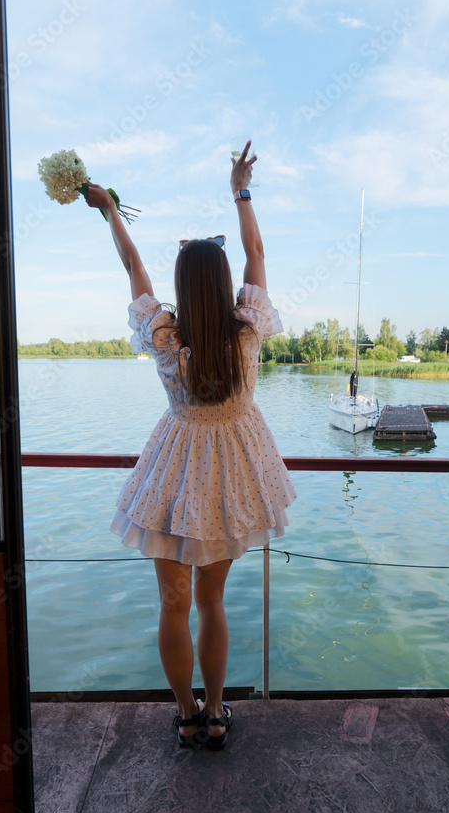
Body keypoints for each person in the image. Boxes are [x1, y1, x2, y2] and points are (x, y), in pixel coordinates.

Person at [84, 141, 296, 750]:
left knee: (171, 605)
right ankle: (218, 709)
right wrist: (240, 189)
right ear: (225, 284)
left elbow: (134, 270)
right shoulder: (247, 332)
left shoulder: (166, 339)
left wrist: (109, 211)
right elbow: (256, 250)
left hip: (174, 473)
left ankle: (185, 715)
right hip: (232, 473)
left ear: (183, 285)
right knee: (212, 603)